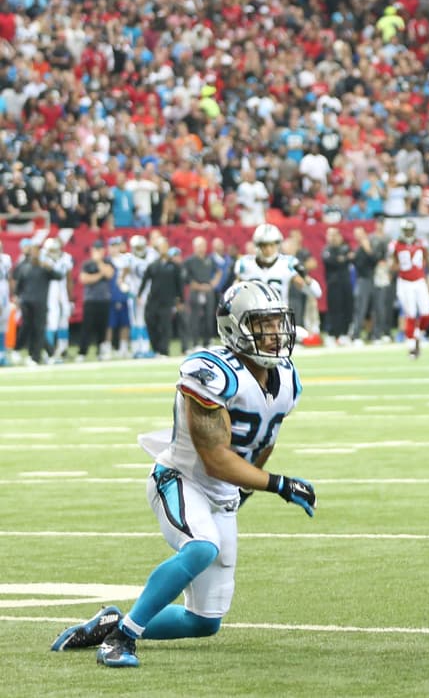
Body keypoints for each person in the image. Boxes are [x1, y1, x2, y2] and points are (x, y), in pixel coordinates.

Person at [50, 280, 315, 668]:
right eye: (263, 325)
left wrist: (246, 490)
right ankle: (121, 641)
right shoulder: (210, 373)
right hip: (181, 478)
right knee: (201, 546)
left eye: (278, 324)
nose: (275, 335)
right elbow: (214, 458)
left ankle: (110, 623)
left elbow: (263, 439)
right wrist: (278, 484)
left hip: (221, 491)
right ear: (236, 328)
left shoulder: (287, 378)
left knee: (204, 621)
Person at [233, 224, 323, 325]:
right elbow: (234, 294)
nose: (268, 249)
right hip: (253, 319)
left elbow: (316, 293)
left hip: (278, 319)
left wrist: (305, 277)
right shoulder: (245, 265)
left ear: (278, 245)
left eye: (272, 245)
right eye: (264, 245)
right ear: (257, 245)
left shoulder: (287, 264)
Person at [391, 220, 429, 358]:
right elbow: (393, 265)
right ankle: (411, 345)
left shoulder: (421, 243)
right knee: (411, 313)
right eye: (406, 230)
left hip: (420, 281)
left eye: (410, 230)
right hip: (405, 282)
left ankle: (417, 335)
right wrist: (393, 268)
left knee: (427, 311)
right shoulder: (395, 245)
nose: (408, 233)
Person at [142, 245, 185, 358]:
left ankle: (164, 351)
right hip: (153, 300)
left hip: (167, 301)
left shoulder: (174, 266)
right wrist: (139, 294)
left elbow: (179, 284)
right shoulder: (153, 265)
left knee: (165, 326)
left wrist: (180, 300)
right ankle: (156, 349)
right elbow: (145, 280)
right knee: (152, 324)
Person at [77, 240, 114, 361]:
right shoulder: (87, 264)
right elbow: (84, 279)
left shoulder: (107, 262)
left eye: (100, 250)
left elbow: (109, 274)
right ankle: (82, 352)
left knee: (102, 327)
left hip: (104, 299)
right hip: (90, 299)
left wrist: (99, 263)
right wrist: (98, 276)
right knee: (87, 327)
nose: (98, 252)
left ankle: (100, 351)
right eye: (96, 250)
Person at [182, 237, 217, 351]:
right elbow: (185, 277)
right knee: (194, 317)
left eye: (203, 245)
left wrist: (212, 284)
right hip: (196, 291)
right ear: (194, 247)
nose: (201, 248)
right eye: (198, 246)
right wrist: (198, 286)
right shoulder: (189, 261)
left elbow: (218, 272)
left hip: (208, 291)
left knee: (209, 316)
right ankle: (196, 342)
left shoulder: (209, 259)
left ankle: (208, 341)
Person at [41, 238, 74, 360]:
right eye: (50, 250)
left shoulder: (66, 258)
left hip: (63, 291)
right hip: (49, 292)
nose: (53, 252)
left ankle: (63, 349)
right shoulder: (42, 259)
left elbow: (69, 279)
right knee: (51, 322)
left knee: (64, 320)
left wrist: (70, 298)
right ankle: (48, 352)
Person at [321, 228, 353, 345]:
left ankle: (344, 334)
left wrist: (342, 259)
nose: (333, 238)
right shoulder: (326, 249)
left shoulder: (345, 248)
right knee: (334, 310)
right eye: (331, 235)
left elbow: (349, 258)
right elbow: (331, 261)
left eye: (335, 235)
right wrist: (342, 259)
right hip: (333, 284)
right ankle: (332, 334)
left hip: (345, 282)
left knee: (347, 308)